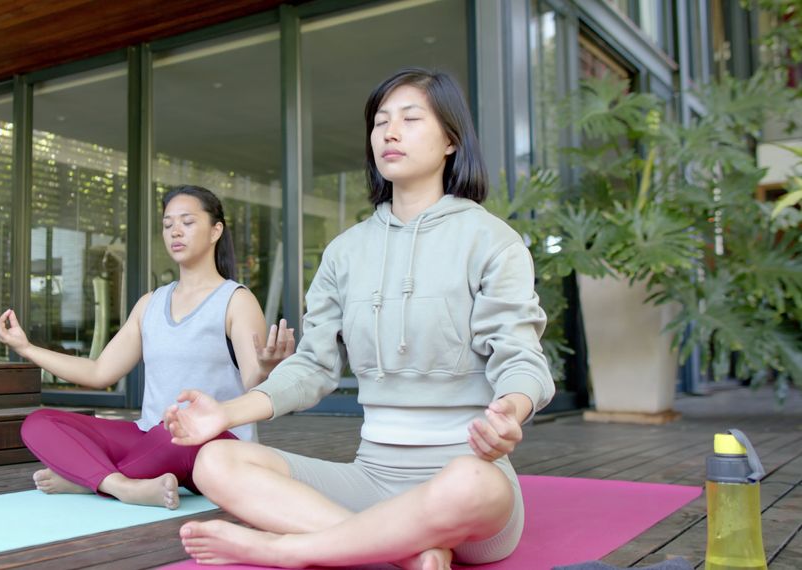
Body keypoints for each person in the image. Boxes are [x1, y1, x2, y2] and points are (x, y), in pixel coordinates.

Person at [163, 68, 554, 569]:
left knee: (473, 482)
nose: (389, 132)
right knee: (216, 461)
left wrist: (511, 410)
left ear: (451, 140)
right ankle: (408, 553)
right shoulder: (344, 252)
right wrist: (225, 414)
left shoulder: (491, 240)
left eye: (410, 119)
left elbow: (521, 355)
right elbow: (312, 367)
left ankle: (289, 550)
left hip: (464, 479)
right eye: (380, 122)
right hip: (370, 479)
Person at [0, 185, 294, 510]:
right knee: (39, 424)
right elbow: (98, 371)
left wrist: (267, 369)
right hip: (149, 437)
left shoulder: (236, 300)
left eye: (187, 222)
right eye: (167, 224)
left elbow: (254, 386)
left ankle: (92, 479)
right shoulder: (151, 303)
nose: (175, 231)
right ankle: (121, 485)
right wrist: (26, 348)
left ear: (215, 230)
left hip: (212, 444)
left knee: (175, 427)